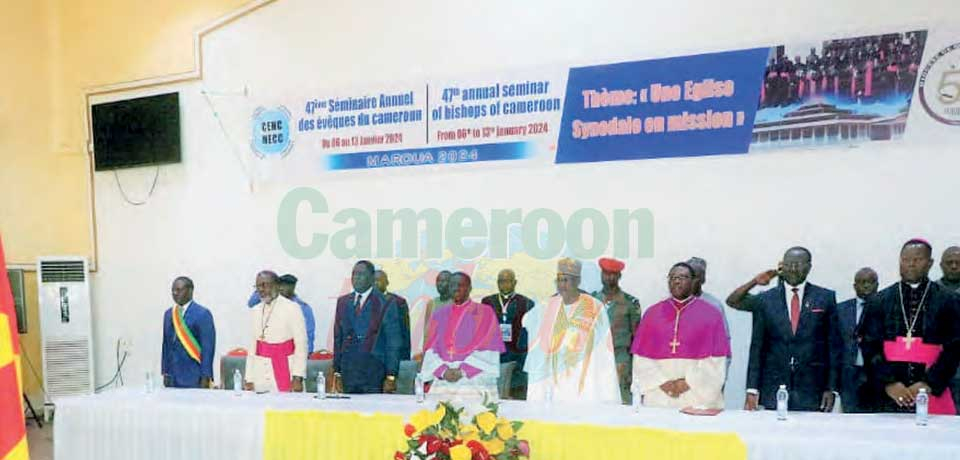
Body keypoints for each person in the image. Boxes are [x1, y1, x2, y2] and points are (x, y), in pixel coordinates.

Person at [728, 247, 840, 412]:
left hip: (812, 386)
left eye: (799, 264)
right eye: (789, 264)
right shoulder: (766, 299)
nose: (793, 269)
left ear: (809, 267)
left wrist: (831, 388)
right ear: (782, 266)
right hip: (773, 385)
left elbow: (833, 346)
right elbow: (756, 346)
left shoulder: (825, 297)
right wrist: (752, 389)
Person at [860, 239, 960, 415]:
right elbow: (870, 346)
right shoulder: (879, 300)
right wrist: (889, 383)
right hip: (887, 394)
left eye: (917, 259)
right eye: (905, 259)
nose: (910, 264)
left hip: (931, 390)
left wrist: (928, 383)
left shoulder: (949, 300)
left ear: (930, 263)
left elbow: (955, 347)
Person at [630, 263, 730, 409]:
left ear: (693, 281)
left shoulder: (711, 314)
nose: (677, 281)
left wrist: (687, 382)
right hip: (660, 394)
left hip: (696, 395)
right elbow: (641, 359)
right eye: (673, 277)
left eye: (683, 277)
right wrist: (662, 382)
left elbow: (717, 361)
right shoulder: (652, 314)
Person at [523, 258, 620, 403]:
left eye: (566, 280)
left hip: (584, 374)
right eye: (559, 280)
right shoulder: (548, 306)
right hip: (554, 374)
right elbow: (526, 321)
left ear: (577, 281)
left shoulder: (594, 306)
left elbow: (603, 348)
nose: (562, 285)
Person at [421, 272, 505, 399]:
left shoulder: (485, 312)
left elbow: (490, 350)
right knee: (436, 413)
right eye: (453, 285)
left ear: (470, 288)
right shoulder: (439, 314)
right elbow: (431, 349)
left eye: (461, 285)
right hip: (444, 376)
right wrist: (443, 371)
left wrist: (463, 370)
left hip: (473, 377)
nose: (456, 288)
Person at [332, 261, 403, 394]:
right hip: (349, 371)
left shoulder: (385, 302)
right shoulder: (343, 302)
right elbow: (338, 338)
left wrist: (391, 375)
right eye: (354, 274)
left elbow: (393, 341)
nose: (356, 278)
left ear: (371, 278)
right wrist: (337, 372)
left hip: (374, 371)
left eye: (361, 274)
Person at [244, 271, 307, 392]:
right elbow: (252, 346)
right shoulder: (255, 311)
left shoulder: (292, 308)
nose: (261, 290)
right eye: (258, 286)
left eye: (265, 285)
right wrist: (249, 378)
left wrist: (298, 377)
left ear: (278, 286)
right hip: (260, 371)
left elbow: (301, 345)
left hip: (285, 368)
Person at [589, 258, 642, 405]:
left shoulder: (630, 303)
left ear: (619, 276)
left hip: (620, 359)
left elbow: (637, 337)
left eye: (613, 274)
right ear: (601, 274)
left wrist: (634, 367)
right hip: (596, 358)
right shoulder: (591, 300)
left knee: (621, 398)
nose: (609, 277)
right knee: (595, 394)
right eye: (606, 273)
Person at [481, 269, 535, 399]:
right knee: (492, 396)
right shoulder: (487, 302)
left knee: (514, 397)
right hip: (492, 355)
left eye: (507, 281)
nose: (504, 284)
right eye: (501, 281)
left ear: (515, 282)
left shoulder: (527, 303)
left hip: (517, 357)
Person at [161, 277, 216, 388]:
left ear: (190, 291)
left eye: (179, 290)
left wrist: (206, 377)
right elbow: (166, 345)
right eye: (173, 290)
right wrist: (165, 372)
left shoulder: (202, 314)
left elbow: (208, 349)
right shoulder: (169, 314)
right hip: (172, 377)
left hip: (194, 377)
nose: (175, 293)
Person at [836, 267, 878, 413]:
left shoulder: (886, 307)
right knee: (850, 417)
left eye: (871, 282)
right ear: (854, 286)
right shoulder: (840, 309)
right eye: (862, 282)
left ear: (877, 285)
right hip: (848, 375)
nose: (866, 285)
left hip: (877, 374)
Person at [247, 274, 316, 354]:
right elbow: (251, 303)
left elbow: (308, 334)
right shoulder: (271, 303)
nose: (282, 289)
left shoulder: (303, 308)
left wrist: (306, 354)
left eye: (286, 286)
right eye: (281, 286)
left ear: (293, 287)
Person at [375, 270, 411, 360]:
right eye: (373, 281)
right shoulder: (365, 302)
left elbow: (405, 332)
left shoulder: (399, 302)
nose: (375, 283)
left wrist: (405, 357)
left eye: (378, 280)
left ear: (387, 282)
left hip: (394, 354)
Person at [421, 270, 453, 352]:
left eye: (443, 281)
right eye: (438, 281)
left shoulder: (457, 303)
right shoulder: (431, 303)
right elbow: (426, 331)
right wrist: (425, 351)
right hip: (433, 351)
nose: (439, 284)